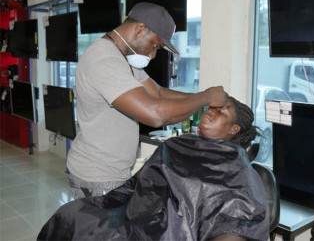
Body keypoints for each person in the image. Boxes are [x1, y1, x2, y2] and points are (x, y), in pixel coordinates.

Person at [38, 96, 269, 241]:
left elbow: (238, 216)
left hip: (175, 229)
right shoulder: (177, 143)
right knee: (73, 214)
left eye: (222, 111)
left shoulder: (235, 164)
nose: (210, 111)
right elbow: (142, 183)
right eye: (212, 107)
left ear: (234, 129)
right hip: (143, 213)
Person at [66, 2, 228, 199]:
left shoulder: (122, 57)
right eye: (154, 45)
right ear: (140, 29)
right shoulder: (104, 60)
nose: (152, 54)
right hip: (98, 176)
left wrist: (203, 97)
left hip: (111, 171)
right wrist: (206, 97)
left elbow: (157, 93)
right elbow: (155, 114)